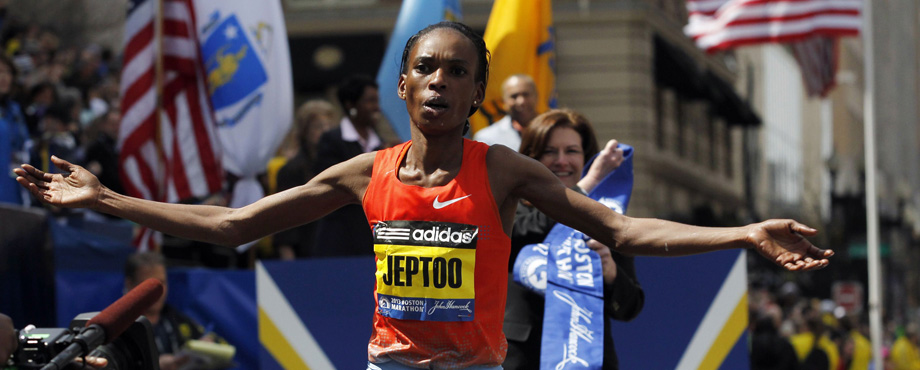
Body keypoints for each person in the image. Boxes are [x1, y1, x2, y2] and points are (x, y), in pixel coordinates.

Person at [17, 21, 833, 370]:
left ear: (477, 93)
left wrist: (743, 232)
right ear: (403, 84)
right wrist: (106, 200)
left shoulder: (503, 170)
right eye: (427, 69)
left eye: (458, 71)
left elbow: (625, 233)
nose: (441, 80)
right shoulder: (363, 173)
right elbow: (234, 225)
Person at [503, 109, 642, 369]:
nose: (561, 161)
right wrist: (587, 185)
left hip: (589, 358)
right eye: (550, 151)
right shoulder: (511, 207)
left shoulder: (606, 216)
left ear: (586, 157)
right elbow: (522, 235)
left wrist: (611, 273)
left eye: (572, 151)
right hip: (521, 357)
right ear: (531, 157)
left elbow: (630, 307)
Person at [310, 75, 382, 257]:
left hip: (371, 242)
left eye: (377, 101)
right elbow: (333, 185)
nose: (376, 107)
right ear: (351, 105)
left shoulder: (380, 144)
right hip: (339, 241)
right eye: (370, 101)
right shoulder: (331, 141)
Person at [124, 252, 227, 370]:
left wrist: (207, 347)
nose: (157, 291)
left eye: (162, 282)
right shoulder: (118, 327)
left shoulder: (176, 319)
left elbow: (216, 344)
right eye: (148, 285)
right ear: (130, 284)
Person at [273, 99, 337, 259]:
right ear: (304, 131)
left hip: (336, 253)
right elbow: (284, 224)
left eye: (329, 126)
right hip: (305, 254)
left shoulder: (338, 165)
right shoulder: (291, 170)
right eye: (318, 126)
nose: (325, 131)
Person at [472, 74, 539, 150]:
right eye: (514, 96)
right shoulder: (487, 139)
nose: (521, 101)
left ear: (536, 96)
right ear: (504, 101)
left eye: (526, 94)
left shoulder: (553, 131)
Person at [0, 54, 29, 206]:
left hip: (13, 188)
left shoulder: (15, 110)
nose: (4, 77)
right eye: (0, 72)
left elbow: (23, 146)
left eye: (8, 72)